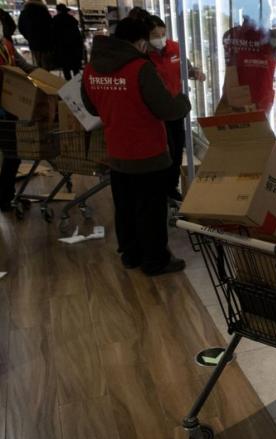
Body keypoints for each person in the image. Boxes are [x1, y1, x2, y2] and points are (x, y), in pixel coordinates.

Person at [81, 17, 191, 275]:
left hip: (117, 152)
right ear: (140, 42)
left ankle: (131, 254)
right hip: (148, 153)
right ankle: (156, 260)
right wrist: (184, 102)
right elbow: (166, 109)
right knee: (151, 209)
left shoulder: (91, 69)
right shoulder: (140, 68)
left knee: (126, 206)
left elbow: (90, 107)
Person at [146, 14, 205, 201]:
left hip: (175, 109)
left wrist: (195, 73)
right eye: (156, 35)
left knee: (177, 149)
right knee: (164, 150)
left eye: (163, 33)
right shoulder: (143, 55)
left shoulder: (175, 48)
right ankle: (158, 189)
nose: (161, 38)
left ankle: (171, 188)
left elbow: (186, 69)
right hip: (155, 112)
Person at [221, 3, 276, 113]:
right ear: (264, 18)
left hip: (233, 100)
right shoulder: (272, 39)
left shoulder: (229, 35)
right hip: (259, 105)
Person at [0, 8, 37, 212]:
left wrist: (45, 79)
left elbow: (24, 67)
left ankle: (7, 195)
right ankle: (5, 198)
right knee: (12, 154)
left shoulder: (6, 45)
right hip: (4, 109)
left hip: (9, 108)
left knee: (12, 154)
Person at [18, 0, 53, 68]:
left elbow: (21, 27)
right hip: (46, 42)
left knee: (37, 63)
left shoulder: (24, 12)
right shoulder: (44, 11)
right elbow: (51, 26)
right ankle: (46, 76)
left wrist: (29, 37)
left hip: (33, 43)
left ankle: (40, 76)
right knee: (46, 64)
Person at [52, 4, 84, 80]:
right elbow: (78, 35)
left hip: (62, 47)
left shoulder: (55, 20)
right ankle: (76, 84)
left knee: (66, 68)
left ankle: (69, 84)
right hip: (74, 47)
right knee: (75, 67)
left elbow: (53, 36)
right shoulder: (72, 20)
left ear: (58, 11)